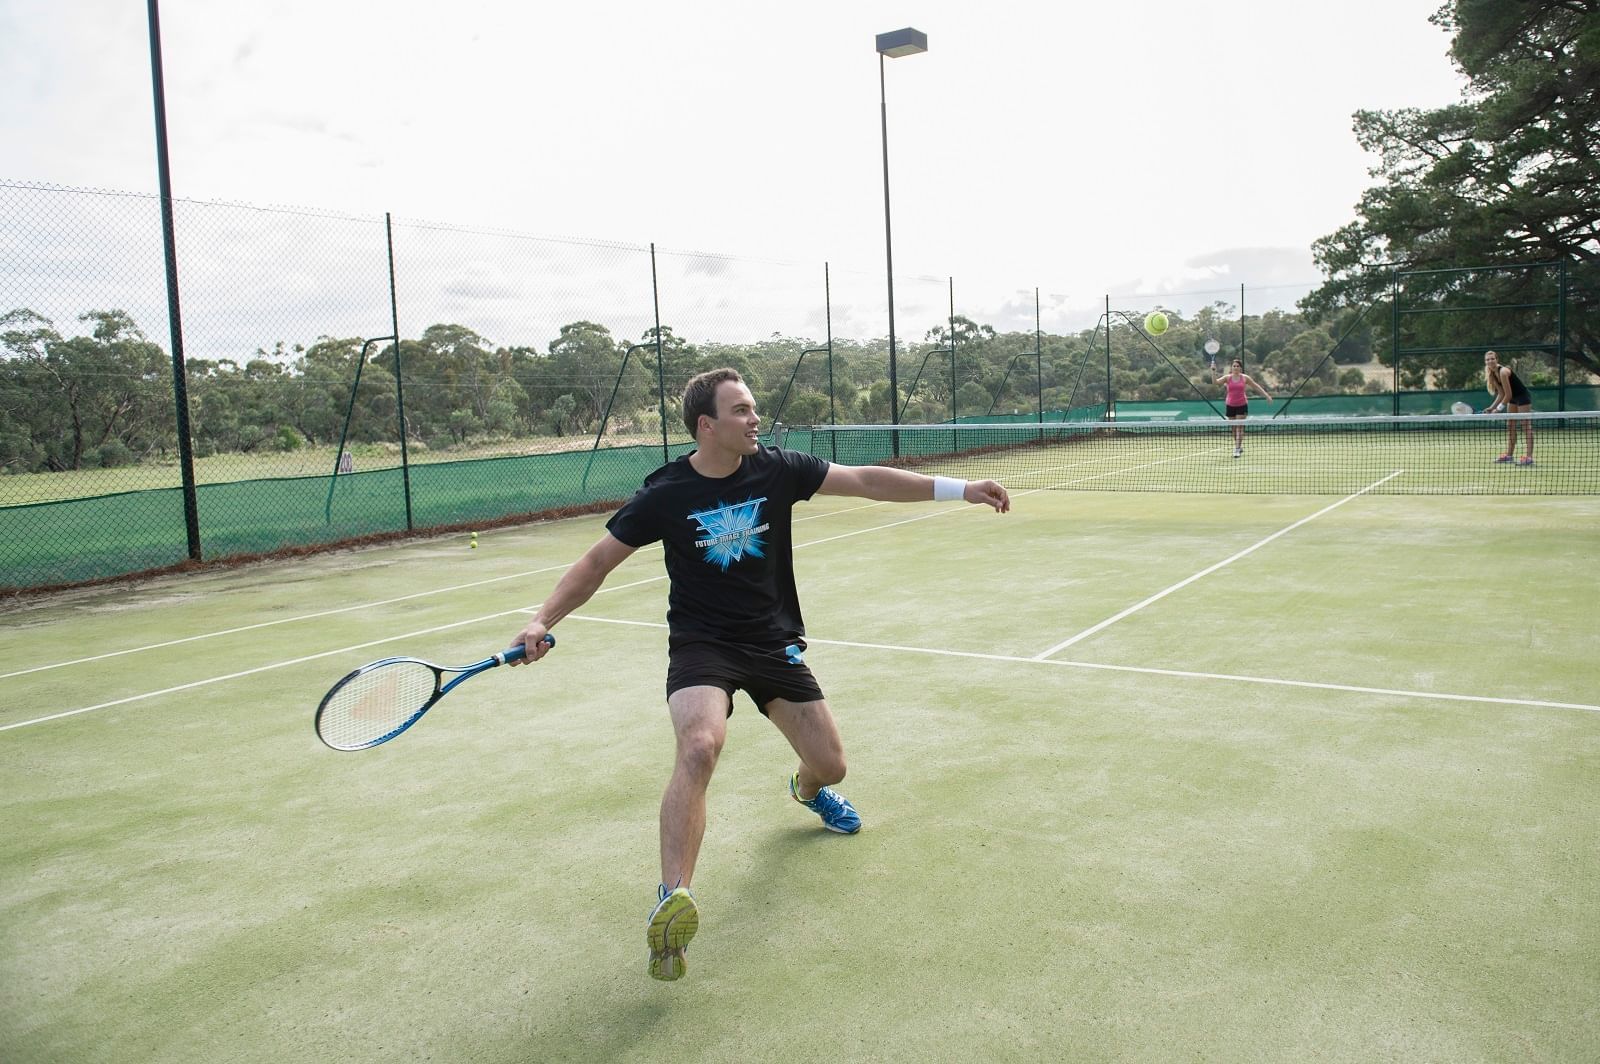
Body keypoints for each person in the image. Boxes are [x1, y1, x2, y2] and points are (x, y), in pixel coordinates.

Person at [507, 367, 1010, 982]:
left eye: (753, 409)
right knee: (698, 745)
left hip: (772, 643)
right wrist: (541, 620)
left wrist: (960, 488)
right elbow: (597, 561)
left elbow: (867, 481)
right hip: (703, 645)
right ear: (706, 425)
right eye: (741, 411)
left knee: (831, 763)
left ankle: (808, 791)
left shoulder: (779, 468)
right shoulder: (665, 493)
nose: (755, 419)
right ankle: (672, 902)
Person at [1481, 350, 1534, 465]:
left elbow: (1508, 394)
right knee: (1510, 426)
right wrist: (1491, 408)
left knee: (1526, 426)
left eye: (1492, 359)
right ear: (1485, 362)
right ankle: (1509, 456)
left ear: (1497, 360)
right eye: (1487, 359)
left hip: (1522, 397)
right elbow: (1501, 394)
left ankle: (1529, 458)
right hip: (1513, 399)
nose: (1490, 361)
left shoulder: (1503, 372)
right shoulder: (1492, 374)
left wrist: (1498, 409)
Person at [1214, 358, 1272, 457]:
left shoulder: (1245, 378)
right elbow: (1215, 382)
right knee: (1233, 428)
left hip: (1242, 405)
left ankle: (1236, 449)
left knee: (1239, 428)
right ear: (1231, 368)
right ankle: (1238, 446)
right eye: (1234, 366)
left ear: (1240, 368)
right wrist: (1213, 371)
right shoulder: (1227, 378)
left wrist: (1266, 395)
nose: (1236, 367)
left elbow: (1256, 386)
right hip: (1230, 405)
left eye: (1238, 366)